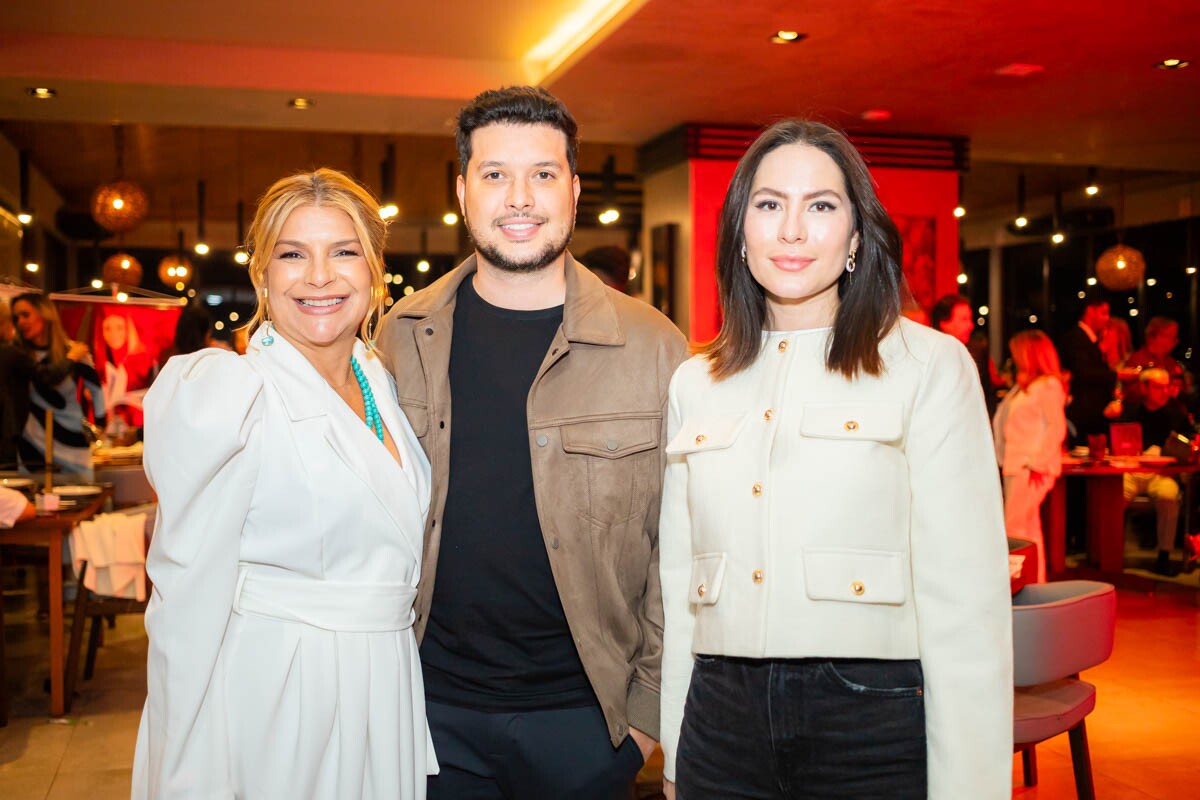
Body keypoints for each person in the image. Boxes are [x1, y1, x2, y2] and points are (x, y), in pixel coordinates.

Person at [658, 120, 1012, 799]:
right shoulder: (695, 381)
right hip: (720, 717)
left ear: (855, 236)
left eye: (821, 206)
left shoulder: (928, 366)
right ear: (739, 232)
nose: (792, 230)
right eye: (769, 204)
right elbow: (681, 587)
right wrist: (677, 748)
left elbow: (966, 606)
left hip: (870, 717)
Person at [377, 86, 688, 800]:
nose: (520, 197)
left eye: (543, 174)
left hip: (587, 726)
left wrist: (644, 720)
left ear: (574, 189)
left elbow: (684, 545)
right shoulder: (399, 338)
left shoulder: (653, 347)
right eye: (495, 175)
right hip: (431, 714)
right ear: (462, 190)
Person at [133, 168, 436, 799]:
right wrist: (180, 756)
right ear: (263, 276)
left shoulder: (383, 382)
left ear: (375, 271)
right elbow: (188, 587)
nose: (319, 276)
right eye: (292, 254)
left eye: (344, 252)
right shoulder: (231, 396)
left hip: (386, 681)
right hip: (280, 693)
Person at [993, 330, 1068, 582]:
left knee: (1013, 529)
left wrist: (1037, 462)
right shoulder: (1025, 387)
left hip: (1029, 466)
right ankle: (1035, 583)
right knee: (1027, 529)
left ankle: (1017, 584)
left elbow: (1057, 426)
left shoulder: (1047, 385)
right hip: (1016, 464)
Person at [1105, 368, 1195, 575]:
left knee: (1168, 497)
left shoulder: (1177, 414)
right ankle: (1110, 554)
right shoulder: (1131, 410)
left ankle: (1164, 555)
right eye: (1157, 387)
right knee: (1112, 497)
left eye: (1166, 387)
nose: (1163, 391)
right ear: (1144, 388)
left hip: (1163, 473)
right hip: (1132, 471)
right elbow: (1115, 439)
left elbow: (1189, 446)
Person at [11, 292, 105, 480]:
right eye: (16, 317)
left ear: (44, 313)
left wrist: (100, 424)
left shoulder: (74, 351)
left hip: (73, 443)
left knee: (82, 499)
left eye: (25, 314)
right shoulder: (18, 356)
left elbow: (96, 389)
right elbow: (46, 378)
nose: (21, 322)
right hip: (32, 443)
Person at [1057, 291, 1116, 445]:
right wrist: (1117, 375)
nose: (1107, 319)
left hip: (1095, 415)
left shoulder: (1092, 341)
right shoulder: (1076, 338)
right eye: (1104, 313)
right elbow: (1083, 373)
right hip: (1084, 416)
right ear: (1090, 311)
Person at [931, 293, 997, 417]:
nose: (971, 325)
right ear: (944, 323)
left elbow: (987, 396)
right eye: (964, 319)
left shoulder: (977, 352)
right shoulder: (929, 354)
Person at [95, 308, 158, 428]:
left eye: (119, 327)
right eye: (107, 328)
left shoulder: (142, 361)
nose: (114, 334)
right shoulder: (99, 364)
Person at [1120, 316, 1183, 406]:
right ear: (1155, 336)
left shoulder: (1172, 363)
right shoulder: (1137, 361)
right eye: (1171, 337)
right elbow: (1129, 395)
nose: (1175, 342)